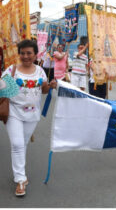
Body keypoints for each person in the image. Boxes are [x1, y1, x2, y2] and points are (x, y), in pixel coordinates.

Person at [2, 40, 57, 196]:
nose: (25, 56)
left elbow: (44, 90)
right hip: (14, 112)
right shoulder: (11, 70)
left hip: (32, 114)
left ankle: (20, 172)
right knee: (18, 144)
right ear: (19, 54)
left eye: (29, 53)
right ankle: (20, 179)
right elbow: (1, 89)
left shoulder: (40, 70)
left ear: (35, 54)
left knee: (23, 143)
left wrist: (51, 85)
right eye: (22, 53)